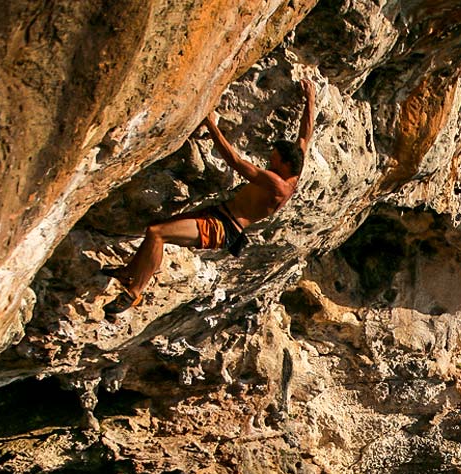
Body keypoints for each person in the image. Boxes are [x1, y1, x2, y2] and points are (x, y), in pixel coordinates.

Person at [103, 78, 318, 317]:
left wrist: (210, 124)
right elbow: (304, 135)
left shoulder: (276, 184)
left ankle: (134, 293)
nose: (270, 160)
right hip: (218, 215)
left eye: (274, 159)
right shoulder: (294, 168)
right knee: (155, 229)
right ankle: (129, 272)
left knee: (157, 234)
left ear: (285, 165)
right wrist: (310, 98)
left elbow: (235, 162)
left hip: (222, 227)